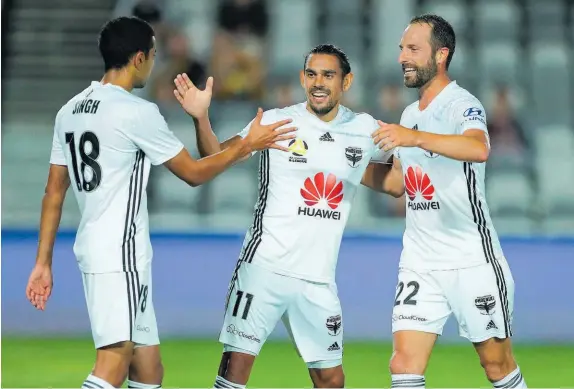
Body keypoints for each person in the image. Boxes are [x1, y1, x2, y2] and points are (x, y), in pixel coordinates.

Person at [24, 16, 295, 389]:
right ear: (139, 58)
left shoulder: (69, 111)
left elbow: (54, 191)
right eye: (152, 55)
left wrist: (42, 262)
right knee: (112, 366)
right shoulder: (136, 111)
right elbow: (194, 174)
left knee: (148, 370)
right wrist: (248, 145)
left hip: (98, 249)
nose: (153, 63)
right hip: (120, 255)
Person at [172, 44, 393, 388]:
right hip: (264, 267)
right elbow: (213, 156)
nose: (318, 82)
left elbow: (395, 184)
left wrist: (416, 145)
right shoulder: (277, 121)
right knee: (234, 374)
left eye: (328, 75)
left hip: (317, 279)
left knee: (331, 380)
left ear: (346, 82)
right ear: (303, 79)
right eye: (312, 74)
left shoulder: (363, 129)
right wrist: (201, 117)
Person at [361, 14, 527, 388]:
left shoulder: (461, 104)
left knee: (496, 366)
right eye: (402, 48)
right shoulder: (409, 114)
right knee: (404, 364)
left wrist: (415, 138)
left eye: (413, 49)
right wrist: (345, 167)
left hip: (471, 257)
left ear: (440, 55)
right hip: (420, 260)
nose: (403, 56)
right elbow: (397, 183)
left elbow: (478, 148)